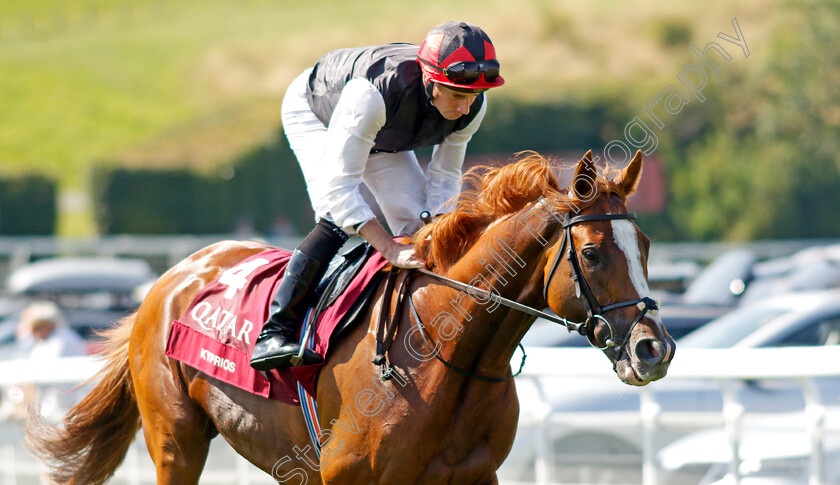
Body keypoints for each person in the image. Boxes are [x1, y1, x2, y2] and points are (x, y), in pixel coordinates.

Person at [250, 21, 505, 371]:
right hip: (318, 111)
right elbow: (338, 190)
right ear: (431, 80)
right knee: (335, 215)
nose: (465, 108)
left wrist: (436, 227)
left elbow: (444, 178)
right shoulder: (371, 96)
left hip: (384, 131)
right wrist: (389, 248)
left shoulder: (474, 106)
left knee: (418, 224)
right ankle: (274, 330)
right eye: (458, 96)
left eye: (473, 97)